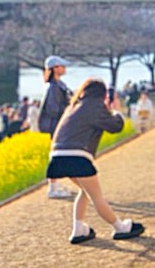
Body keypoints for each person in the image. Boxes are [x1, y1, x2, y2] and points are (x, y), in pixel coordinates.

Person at [46, 78, 145, 246]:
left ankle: (79, 229)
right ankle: (120, 227)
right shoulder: (95, 106)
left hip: (57, 156)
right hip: (77, 156)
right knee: (97, 197)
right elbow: (116, 126)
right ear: (103, 94)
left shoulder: (74, 106)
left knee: (85, 191)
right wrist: (117, 110)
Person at [39, 55, 75, 200]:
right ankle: (53, 187)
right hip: (56, 125)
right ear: (55, 68)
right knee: (56, 155)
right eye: (61, 66)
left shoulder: (58, 85)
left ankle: (55, 185)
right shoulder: (54, 87)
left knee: (58, 154)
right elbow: (53, 109)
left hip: (58, 125)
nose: (64, 68)